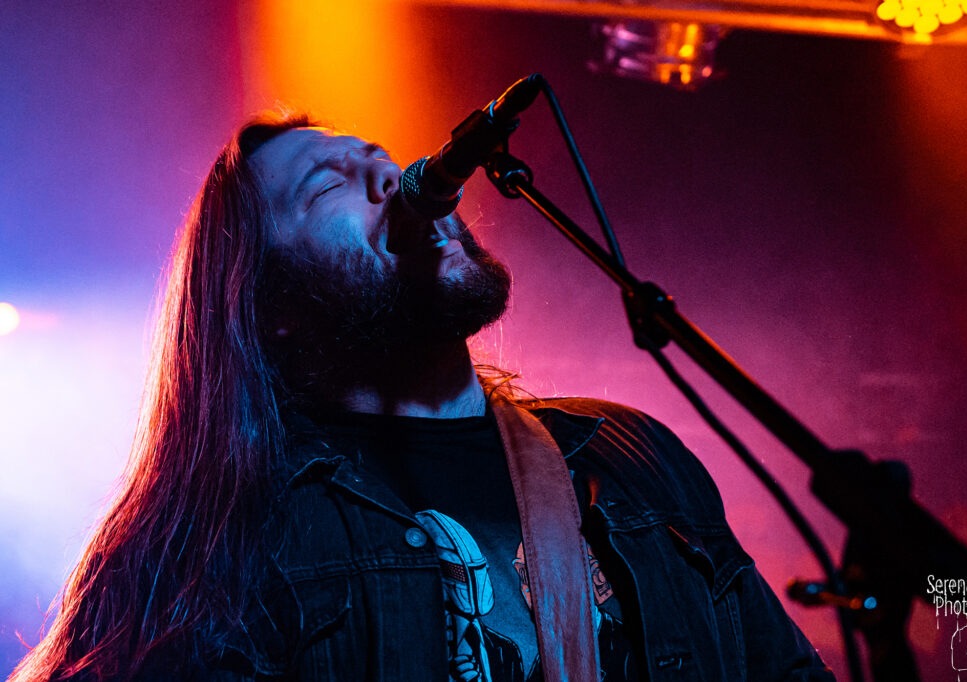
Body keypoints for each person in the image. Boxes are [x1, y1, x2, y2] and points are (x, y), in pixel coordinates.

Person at [11, 113, 835, 681]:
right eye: (332, 187)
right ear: (271, 305)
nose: (398, 182)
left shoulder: (627, 457)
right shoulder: (222, 534)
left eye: (383, 161)